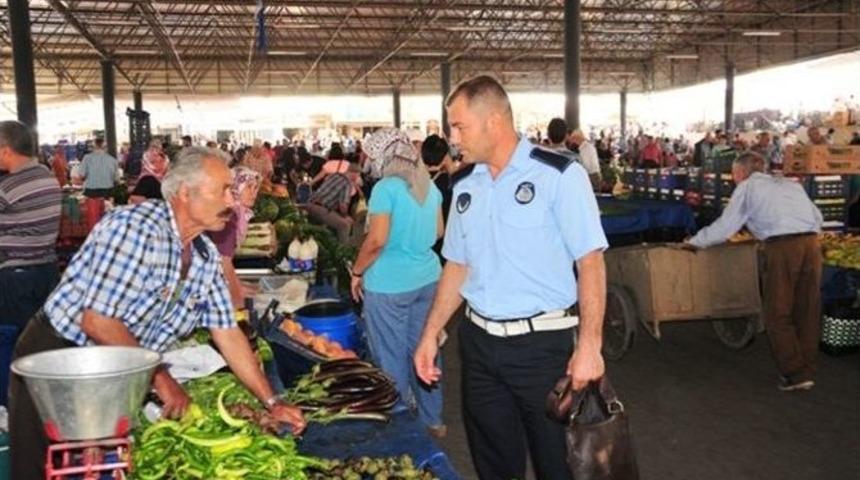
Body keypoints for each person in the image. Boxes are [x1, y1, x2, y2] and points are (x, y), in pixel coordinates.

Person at [8, 147, 305, 480]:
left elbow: (228, 334)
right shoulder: (135, 229)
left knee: (100, 466)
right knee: (39, 467)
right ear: (185, 193)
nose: (231, 200)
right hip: (58, 360)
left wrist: (272, 401)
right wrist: (161, 379)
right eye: (223, 189)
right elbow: (98, 321)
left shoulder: (204, 257)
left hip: (117, 368)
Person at [413, 76, 607, 480]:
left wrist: (590, 345)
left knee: (558, 464)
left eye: (459, 127)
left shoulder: (559, 175)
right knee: (494, 465)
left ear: (494, 122)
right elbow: (457, 265)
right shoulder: (465, 183)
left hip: (542, 349)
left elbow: (590, 261)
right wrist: (431, 332)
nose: (452, 139)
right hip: (479, 347)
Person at [686, 152, 823, 391]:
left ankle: (795, 373)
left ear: (740, 172)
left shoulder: (748, 188)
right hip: (812, 245)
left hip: (781, 248)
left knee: (778, 311)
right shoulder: (790, 184)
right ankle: (807, 368)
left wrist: (695, 241)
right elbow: (817, 217)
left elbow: (726, 226)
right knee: (807, 308)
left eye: (733, 174)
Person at [350, 128, 445, 436]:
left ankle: (403, 428)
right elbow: (439, 231)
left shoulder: (385, 189)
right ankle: (433, 419)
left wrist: (357, 272)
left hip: (389, 285)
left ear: (383, 156)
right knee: (424, 348)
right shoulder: (427, 185)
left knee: (390, 356)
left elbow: (376, 241)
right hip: (428, 280)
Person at [0, 121, 63, 331]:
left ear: (6, 151)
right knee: (38, 338)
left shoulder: (8, 187)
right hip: (46, 270)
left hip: (15, 277)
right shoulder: (46, 175)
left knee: (14, 339)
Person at [208, 167, 262, 305]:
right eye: (248, 187)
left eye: (256, 188)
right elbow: (223, 261)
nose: (254, 193)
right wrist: (237, 296)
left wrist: (238, 285)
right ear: (235, 187)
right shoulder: (230, 216)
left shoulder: (238, 214)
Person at [305, 163, 359, 243]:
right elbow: (343, 206)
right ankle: (342, 249)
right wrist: (345, 216)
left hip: (309, 203)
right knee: (345, 226)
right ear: (354, 174)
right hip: (322, 209)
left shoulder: (334, 175)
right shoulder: (347, 184)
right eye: (358, 175)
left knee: (334, 218)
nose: (357, 178)